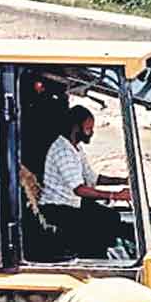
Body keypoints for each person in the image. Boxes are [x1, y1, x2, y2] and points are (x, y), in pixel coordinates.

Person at [39, 105, 131, 257]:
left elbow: (92, 178)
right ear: (76, 127)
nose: (92, 133)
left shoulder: (76, 148)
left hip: (71, 202)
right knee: (96, 228)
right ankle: (96, 259)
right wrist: (114, 196)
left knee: (111, 217)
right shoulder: (63, 151)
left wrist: (123, 180)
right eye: (88, 129)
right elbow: (79, 189)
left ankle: (109, 253)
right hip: (56, 208)